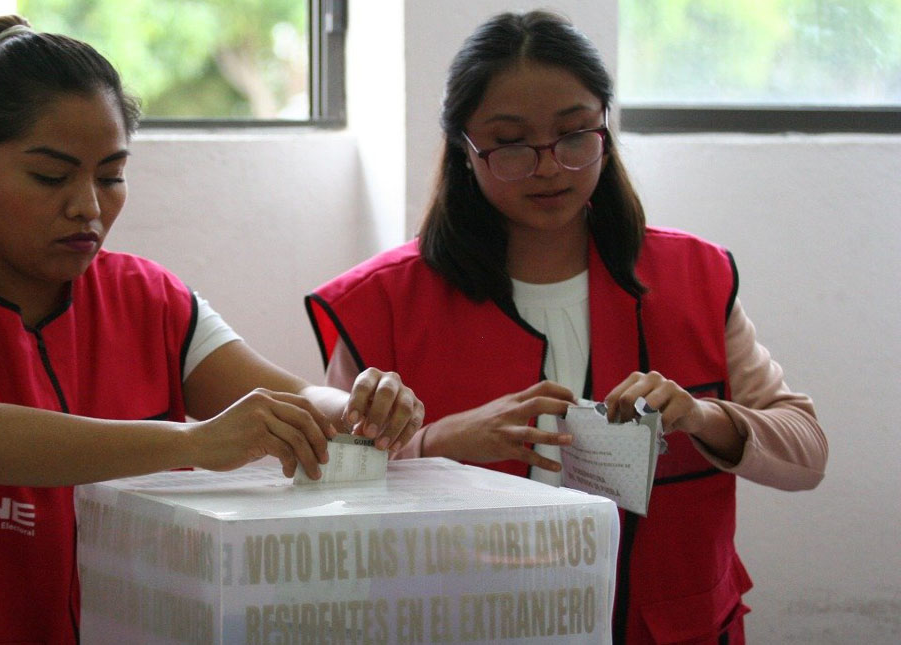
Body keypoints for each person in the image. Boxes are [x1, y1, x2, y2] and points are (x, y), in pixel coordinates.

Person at [0, 14, 423, 643]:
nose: (88, 207)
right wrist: (192, 443)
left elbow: (289, 399)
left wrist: (358, 407)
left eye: (111, 175)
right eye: (50, 177)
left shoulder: (147, 298)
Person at [305, 10, 827, 645]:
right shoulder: (383, 301)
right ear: (465, 151)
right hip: (459, 624)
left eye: (576, 135)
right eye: (513, 144)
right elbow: (325, 488)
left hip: (670, 626)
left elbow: (806, 452)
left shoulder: (693, 276)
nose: (551, 167)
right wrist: (442, 441)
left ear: (605, 129)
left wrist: (703, 416)